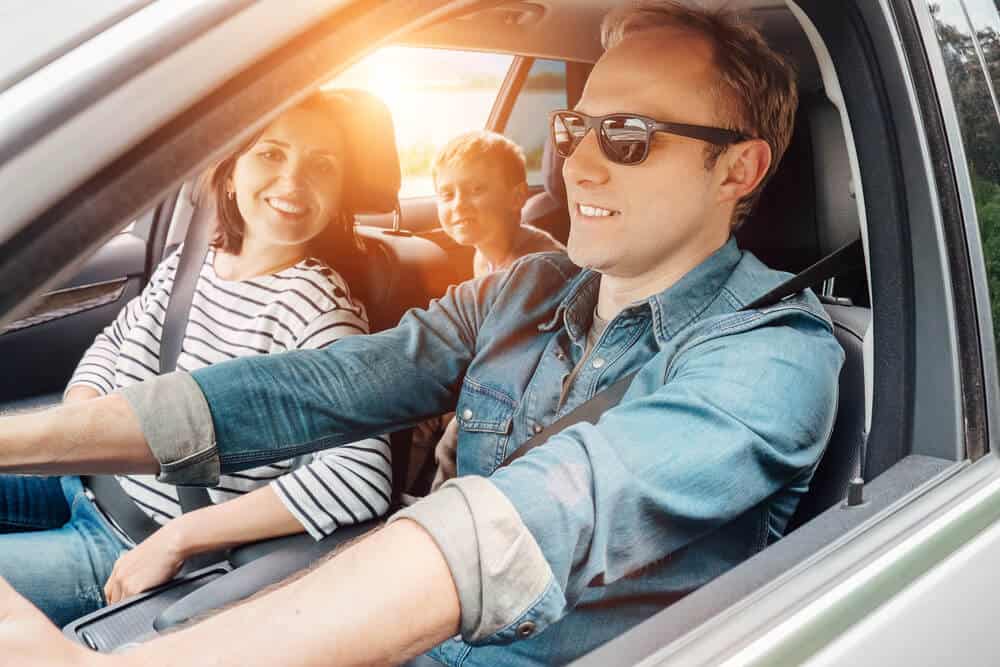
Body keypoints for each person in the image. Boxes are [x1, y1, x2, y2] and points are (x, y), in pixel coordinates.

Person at [0, 3, 845, 665]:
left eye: (627, 137)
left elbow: (537, 515)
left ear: (739, 169)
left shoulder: (773, 354)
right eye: (577, 128)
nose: (577, 167)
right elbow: (306, 389)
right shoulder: (528, 287)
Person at [0, 90, 392, 626]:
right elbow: (114, 341)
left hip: (130, 543)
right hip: (85, 483)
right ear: (230, 173)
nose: (294, 183)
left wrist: (179, 539)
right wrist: (79, 426)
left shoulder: (319, 308)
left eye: (323, 166)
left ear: (342, 190)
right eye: (271, 153)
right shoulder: (194, 263)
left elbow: (360, 477)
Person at [422, 130, 566, 491]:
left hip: (535, 389)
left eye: (476, 190)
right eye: (447, 194)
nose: (458, 206)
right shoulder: (485, 254)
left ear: (517, 196)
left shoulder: (537, 265)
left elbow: (522, 358)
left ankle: (439, 505)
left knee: (457, 433)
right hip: (503, 373)